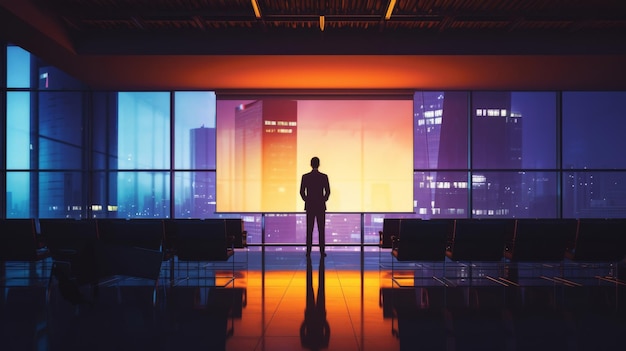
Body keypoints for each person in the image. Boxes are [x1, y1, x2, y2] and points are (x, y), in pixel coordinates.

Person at [300, 156, 330, 256]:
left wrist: (307, 200)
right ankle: (322, 251)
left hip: (310, 206)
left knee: (309, 229)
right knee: (321, 229)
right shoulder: (324, 177)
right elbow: (328, 191)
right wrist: (323, 200)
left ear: (311, 164)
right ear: (319, 164)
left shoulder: (305, 177)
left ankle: (308, 251)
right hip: (320, 206)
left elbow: (301, 192)